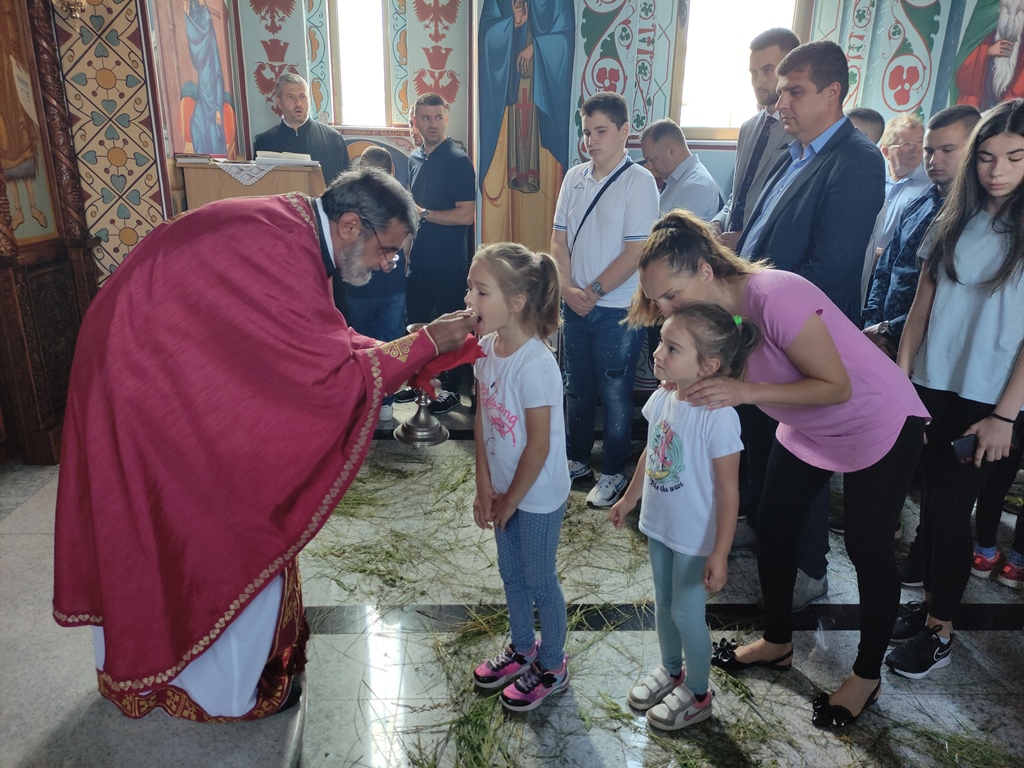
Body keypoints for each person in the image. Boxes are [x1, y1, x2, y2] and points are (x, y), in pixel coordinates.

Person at [52, 167, 477, 721]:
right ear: (351, 225)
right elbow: (319, 379)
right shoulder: (284, 250)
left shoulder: (298, 231)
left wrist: (408, 351)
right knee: (232, 516)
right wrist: (422, 345)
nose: (386, 264)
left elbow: (323, 340)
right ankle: (215, 685)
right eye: (388, 250)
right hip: (140, 382)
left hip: (155, 365)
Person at [630, 210, 927, 728]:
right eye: (658, 302)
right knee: (773, 525)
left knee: (867, 546)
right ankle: (777, 641)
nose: (665, 311)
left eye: (671, 296)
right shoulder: (712, 314)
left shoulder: (773, 295)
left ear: (705, 270)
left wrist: (743, 392)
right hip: (809, 424)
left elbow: (837, 386)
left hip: (875, 420)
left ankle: (865, 675)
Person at [888, 98, 1024, 679]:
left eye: (1015, 158)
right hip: (931, 387)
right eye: (987, 157)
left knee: (949, 512)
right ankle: (928, 610)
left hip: (989, 401)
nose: (998, 171)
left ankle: (941, 628)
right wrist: (903, 384)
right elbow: (920, 309)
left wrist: (1005, 417)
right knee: (930, 508)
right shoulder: (953, 218)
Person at [609, 304, 755, 730]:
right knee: (664, 605)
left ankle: (698, 691)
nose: (658, 353)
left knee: (688, 615)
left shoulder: (720, 418)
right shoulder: (663, 397)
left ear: (708, 366)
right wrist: (629, 499)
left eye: (673, 348)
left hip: (694, 539)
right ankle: (672, 669)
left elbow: (728, 489)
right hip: (660, 527)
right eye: (661, 342)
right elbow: (651, 452)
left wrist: (720, 553)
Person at [467, 242, 570, 711]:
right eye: (470, 288)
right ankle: (523, 647)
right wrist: (484, 484)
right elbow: (482, 419)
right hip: (505, 487)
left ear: (516, 302)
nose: (469, 300)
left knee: (540, 578)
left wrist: (510, 499)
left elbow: (539, 445)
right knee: (511, 573)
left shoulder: (535, 364)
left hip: (537, 494)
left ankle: (552, 663)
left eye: (480, 291)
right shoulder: (486, 350)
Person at [551, 91, 660, 508]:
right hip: (574, 303)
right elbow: (558, 241)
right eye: (586, 132)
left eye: (600, 132)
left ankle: (613, 472)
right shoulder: (574, 177)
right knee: (576, 387)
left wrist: (593, 292)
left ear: (624, 131)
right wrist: (567, 288)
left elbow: (636, 252)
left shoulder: (639, 182)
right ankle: (576, 460)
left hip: (617, 308)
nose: (591, 141)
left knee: (614, 392)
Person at [863, 106, 981, 358]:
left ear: (974, 148)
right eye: (929, 150)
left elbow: (952, 295)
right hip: (879, 339)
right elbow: (885, 269)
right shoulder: (919, 203)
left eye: (947, 150)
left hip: (930, 347)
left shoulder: (976, 215)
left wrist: (888, 330)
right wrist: (873, 324)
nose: (933, 160)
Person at [400, 92, 478, 415]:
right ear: (415, 121)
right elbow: (410, 211)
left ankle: (450, 389)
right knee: (417, 325)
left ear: (446, 119)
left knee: (450, 327)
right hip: (419, 261)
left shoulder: (458, 160)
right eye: (425, 118)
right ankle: (419, 382)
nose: (432, 124)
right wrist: (406, 251)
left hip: (448, 264)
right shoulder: (414, 158)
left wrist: (426, 214)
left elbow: (467, 215)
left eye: (437, 117)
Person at [712, 28, 800, 249]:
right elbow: (739, 194)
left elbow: (792, 212)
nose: (759, 82)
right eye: (753, 73)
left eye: (768, 70)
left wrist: (745, 238)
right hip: (730, 252)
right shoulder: (748, 128)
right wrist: (718, 222)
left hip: (769, 253)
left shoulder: (801, 131)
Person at [344, 146, 408, 422]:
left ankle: (364, 400)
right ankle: (384, 402)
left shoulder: (348, 200)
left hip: (361, 284)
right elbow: (406, 239)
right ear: (392, 171)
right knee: (388, 343)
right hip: (387, 284)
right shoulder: (401, 199)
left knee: (361, 344)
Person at [860, 116, 931, 301]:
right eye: (907, 143)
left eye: (920, 142)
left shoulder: (929, 188)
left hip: (896, 279)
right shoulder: (871, 181)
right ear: (886, 151)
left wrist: (885, 255)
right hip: (860, 268)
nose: (916, 148)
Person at [252, 74, 350, 187]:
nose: (298, 103)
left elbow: (347, 184)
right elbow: (259, 186)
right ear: (279, 102)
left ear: (310, 99)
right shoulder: (264, 142)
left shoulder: (333, 138)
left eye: (302, 96)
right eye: (290, 97)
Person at [640, 119, 721, 219]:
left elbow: (674, 229)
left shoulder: (695, 186)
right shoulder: (677, 179)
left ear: (672, 151)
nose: (650, 166)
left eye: (652, 159)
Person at [953, 0, 1024, 110]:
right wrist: (987, 51)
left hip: (1010, 108)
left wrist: (1006, 107)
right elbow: (963, 67)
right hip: (979, 101)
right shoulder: (986, 9)